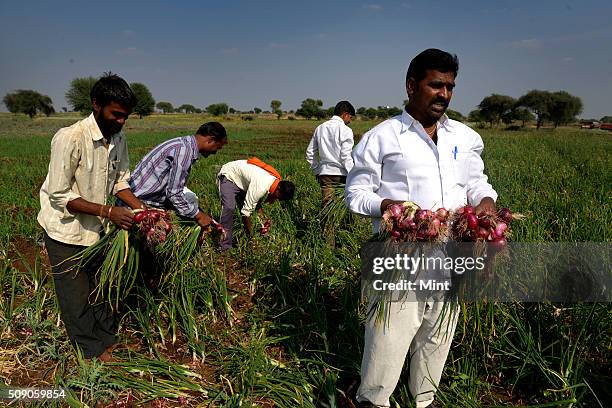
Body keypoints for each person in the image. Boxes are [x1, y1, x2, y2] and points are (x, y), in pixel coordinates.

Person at [345, 49, 498, 407]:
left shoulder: (464, 137)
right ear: (412, 86)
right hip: (399, 256)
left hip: (453, 254)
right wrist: (385, 206)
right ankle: (373, 401)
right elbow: (355, 194)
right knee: (388, 335)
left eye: (450, 87)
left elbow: (476, 182)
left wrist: (486, 201)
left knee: (437, 332)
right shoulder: (382, 137)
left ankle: (423, 399)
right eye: (436, 85)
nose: (444, 94)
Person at [38, 73, 144, 362]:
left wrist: (141, 210)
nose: (121, 121)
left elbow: (121, 182)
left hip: (97, 231)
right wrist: (108, 211)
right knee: (75, 295)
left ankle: (106, 338)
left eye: (126, 116)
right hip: (66, 231)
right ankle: (89, 349)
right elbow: (60, 194)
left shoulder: (118, 139)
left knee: (103, 286)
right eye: (116, 114)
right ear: (96, 104)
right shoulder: (70, 137)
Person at [127, 122, 228, 229]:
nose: (215, 152)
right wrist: (199, 216)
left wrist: (196, 210)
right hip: (137, 204)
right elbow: (174, 193)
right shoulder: (184, 152)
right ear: (210, 140)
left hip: (140, 199)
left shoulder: (183, 144)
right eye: (217, 147)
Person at [217, 158, 295, 250]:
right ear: (278, 189)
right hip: (229, 176)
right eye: (281, 197)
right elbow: (245, 213)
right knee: (229, 208)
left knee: (249, 205)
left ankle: (246, 235)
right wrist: (251, 237)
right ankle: (225, 246)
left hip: (241, 178)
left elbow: (257, 203)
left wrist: (262, 224)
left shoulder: (273, 181)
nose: (279, 199)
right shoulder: (261, 186)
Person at [305, 100, 356, 208]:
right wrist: (353, 174)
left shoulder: (320, 128)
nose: (349, 121)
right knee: (344, 208)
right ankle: (343, 226)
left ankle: (327, 225)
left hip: (325, 174)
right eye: (350, 118)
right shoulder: (346, 130)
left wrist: (316, 171)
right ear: (345, 114)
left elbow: (310, 152)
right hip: (342, 174)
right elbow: (345, 156)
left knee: (327, 207)